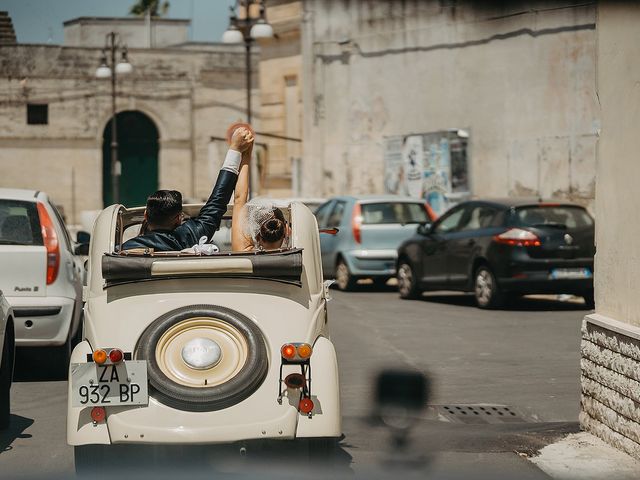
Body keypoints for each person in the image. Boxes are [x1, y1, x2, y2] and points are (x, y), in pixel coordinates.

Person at [121, 126, 254, 251]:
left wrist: (235, 149)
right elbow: (218, 201)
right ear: (179, 218)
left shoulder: (126, 248)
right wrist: (236, 149)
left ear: (146, 215)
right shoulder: (190, 236)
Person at [231, 136, 288, 252]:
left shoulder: (243, 251)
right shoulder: (296, 258)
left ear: (256, 234)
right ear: (286, 232)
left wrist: (247, 153)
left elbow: (239, 198)